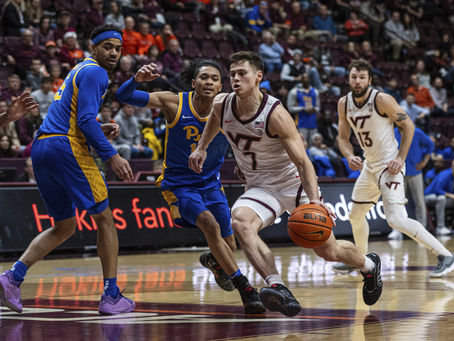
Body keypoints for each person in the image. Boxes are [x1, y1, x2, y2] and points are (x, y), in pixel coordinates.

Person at [189, 51, 383, 317]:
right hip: (259, 187)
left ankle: (369, 266)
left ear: (258, 77)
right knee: (241, 222)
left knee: (329, 251)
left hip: (294, 184)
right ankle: (277, 286)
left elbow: (304, 162)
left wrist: (315, 201)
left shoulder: (275, 113)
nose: (235, 78)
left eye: (242, 73)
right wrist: (202, 148)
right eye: (232, 73)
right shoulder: (222, 103)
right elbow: (214, 119)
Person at [0, 24, 135, 316]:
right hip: (65, 147)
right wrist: (111, 156)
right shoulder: (97, 72)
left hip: (42, 148)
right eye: (108, 47)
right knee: (105, 220)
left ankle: (12, 277)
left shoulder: (78, 70)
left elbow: (78, 120)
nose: (113, 53)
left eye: (118, 48)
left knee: (65, 226)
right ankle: (111, 295)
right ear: (93, 47)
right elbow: (84, 122)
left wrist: (99, 128)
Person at [115, 59, 265, 315]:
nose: (209, 82)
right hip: (179, 184)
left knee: (229, 246)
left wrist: (241, 161)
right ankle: (246, 290)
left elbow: (243, 138)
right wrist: (137, 79)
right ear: (194, 83)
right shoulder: (173, 101)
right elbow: (123, 95)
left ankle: (213, 261)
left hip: (211, 184)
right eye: (204, 77)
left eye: (215, 78)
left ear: (221, 85)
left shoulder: (230, 106)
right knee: (210, 224)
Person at [332, 59, 454, 278]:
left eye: (362, 77)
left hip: (390, 166)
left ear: (369, 80)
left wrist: (401, 158)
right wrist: (349, 155)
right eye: (354, 76)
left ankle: (446, 255)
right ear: (348, 79)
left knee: (395, 219)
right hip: (370, 166)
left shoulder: (381, 99)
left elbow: (408, 125)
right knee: (355, 215)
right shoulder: (343, 103)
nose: (357, 81)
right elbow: (343, 138)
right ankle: (360, 260)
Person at [389, 126, 434, 239]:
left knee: (419, 201)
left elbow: (430, 144)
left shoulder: (416, 132)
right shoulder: (391, 133)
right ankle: (397, 230)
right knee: (397, 202)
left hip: (415, 172)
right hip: (398, 173)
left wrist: (425, 161)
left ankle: (422, 229)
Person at [425, 159, 454, 235]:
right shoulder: (445, 175)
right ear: (452, 167)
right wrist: (452, 196)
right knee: (441, 198)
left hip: (446, 198)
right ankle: (440, 227)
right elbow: (437, 190)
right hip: (430, 196)